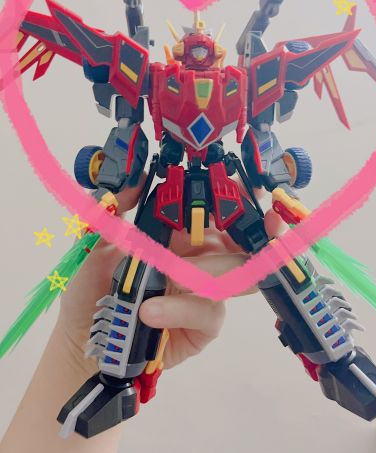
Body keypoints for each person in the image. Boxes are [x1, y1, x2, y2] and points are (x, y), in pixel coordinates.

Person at [0, 180, 283, 453]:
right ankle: (115, 379)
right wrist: (79, 355)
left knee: (273, 254)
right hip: (176, 198)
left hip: (209, 193)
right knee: (141, 265)